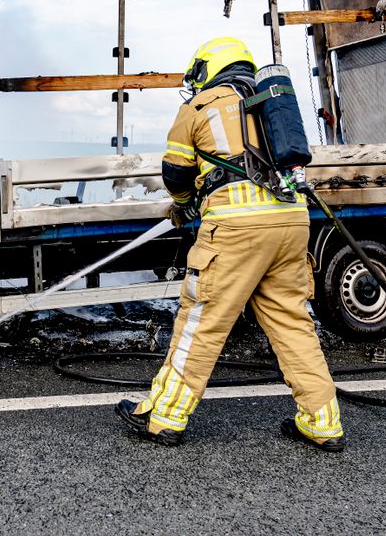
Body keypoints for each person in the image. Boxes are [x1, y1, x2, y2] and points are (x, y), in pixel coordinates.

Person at [115, 36, 344, 450]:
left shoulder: (199, 107)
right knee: (292, 323)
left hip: (237, 231)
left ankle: (165, 414)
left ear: (208, 68)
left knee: (201, 321)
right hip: (291, 223)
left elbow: (175, 174)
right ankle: (323, 421)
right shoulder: (273, 104)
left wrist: (183, 207)